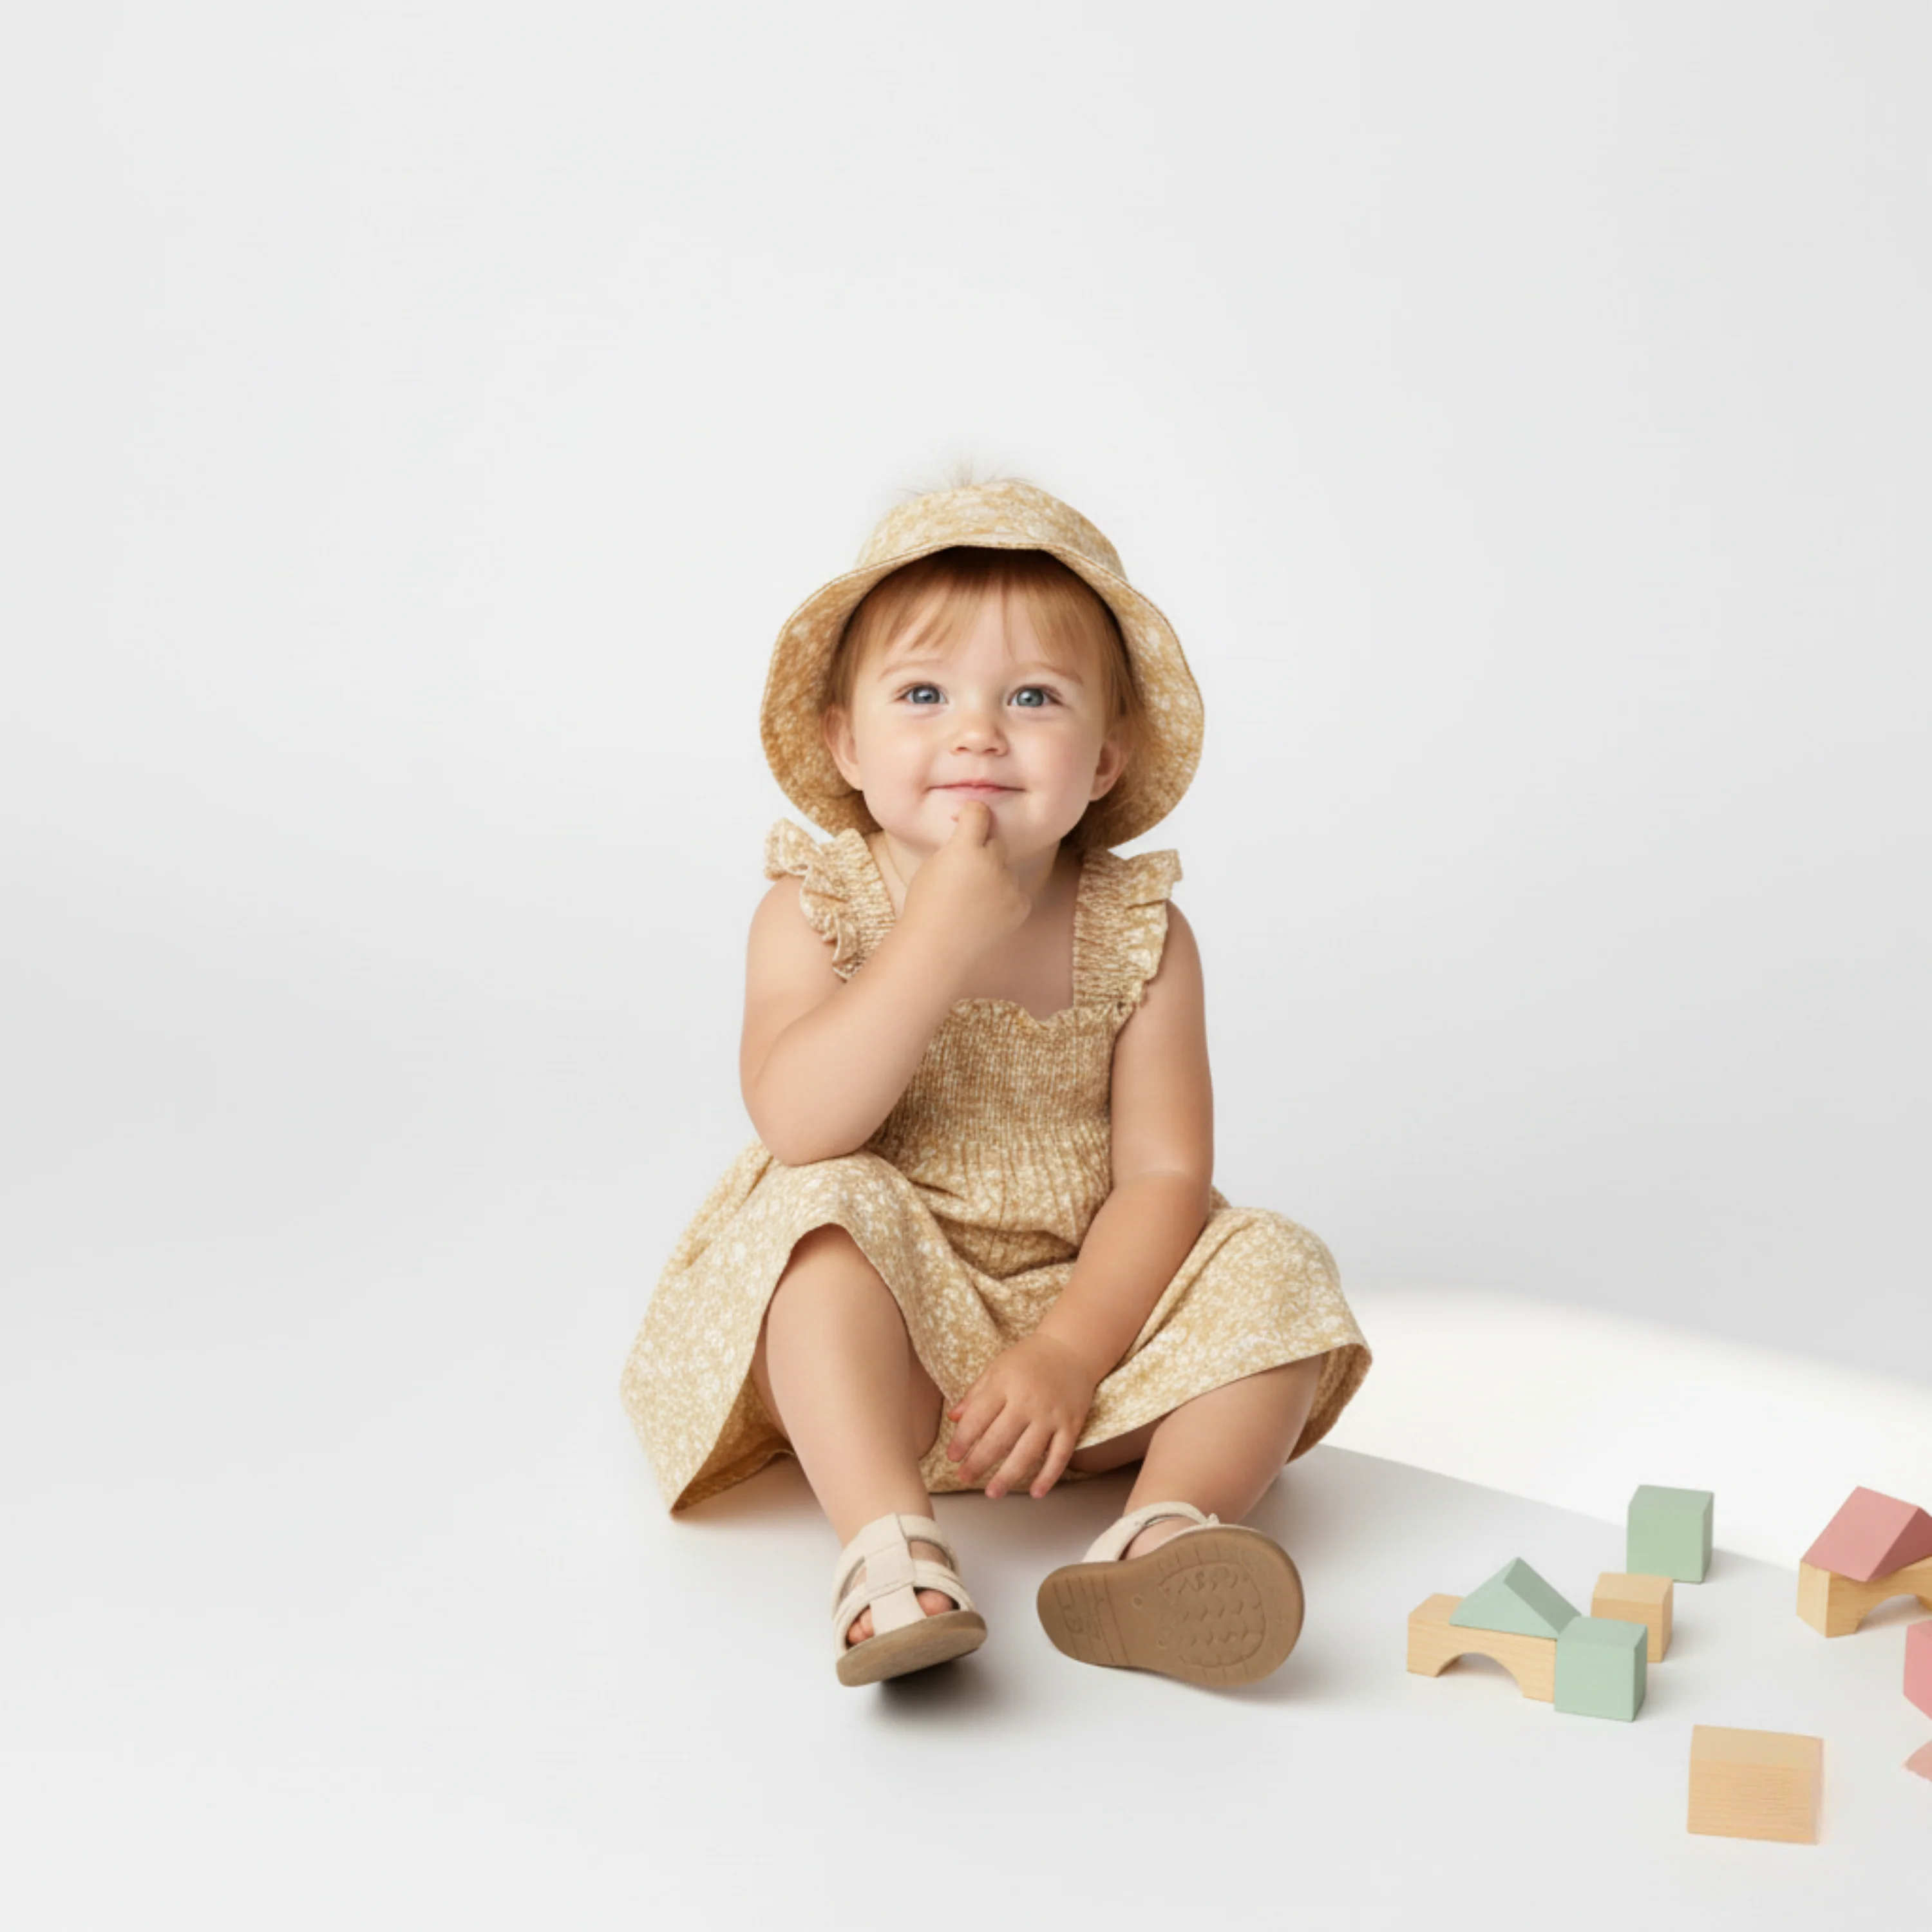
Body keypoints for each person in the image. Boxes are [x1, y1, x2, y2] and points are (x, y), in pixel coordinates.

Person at [620, 471, 1372, 1689]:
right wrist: (935, 943)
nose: (977, 732)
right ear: (846, 745)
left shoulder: (1140, 929)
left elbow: (1169, 1173)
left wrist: (1074, 1352)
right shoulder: (816, 908)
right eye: (924, 695)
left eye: (1033, 697)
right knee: (820, 1224)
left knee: (1279, 1262)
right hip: (893, 1345)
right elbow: (803, 1124)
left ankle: (1164, 1538)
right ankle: (888, 1548)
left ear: (1108, 754)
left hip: (1094, 1325)